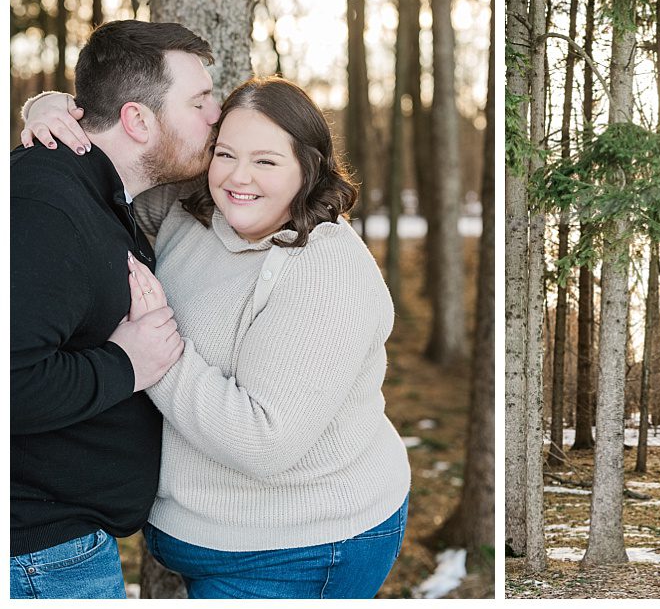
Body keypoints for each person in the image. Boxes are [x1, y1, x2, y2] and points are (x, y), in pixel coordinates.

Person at [22, 74, 411, 599]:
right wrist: (53, 111)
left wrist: (154, 355)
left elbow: (265, 440)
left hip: (302, 546)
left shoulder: (326, 271)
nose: (238, 177)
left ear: (309, 167)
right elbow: (115, 175)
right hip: (203, 534)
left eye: (267, 161)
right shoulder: (193, 209)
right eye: (225, 154)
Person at [10, 20, 221, 599]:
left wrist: (47, 103)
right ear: (137, 120)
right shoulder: (46, 208)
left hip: (58, 547)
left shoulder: (92, 190)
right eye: (200, 102)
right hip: (38, 557)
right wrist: (126, 364)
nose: (215, 116)